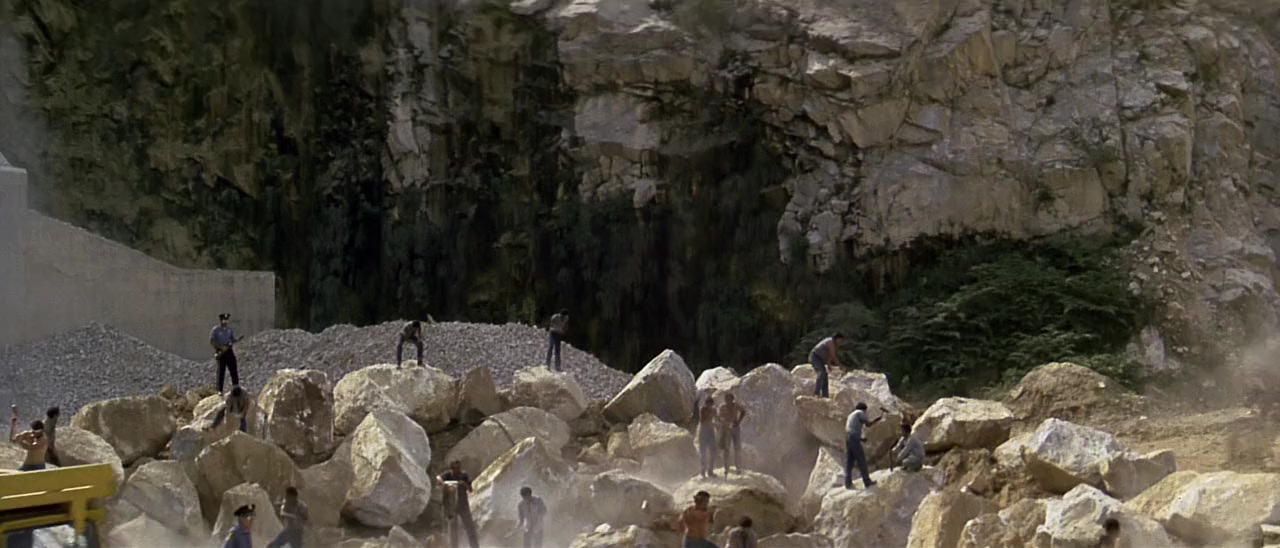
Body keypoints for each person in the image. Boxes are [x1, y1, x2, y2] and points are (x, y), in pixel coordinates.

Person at [437, 460, 479, 548]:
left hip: (463, 505)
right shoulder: (448, 475)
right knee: (452, 530)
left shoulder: (464, 475)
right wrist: (444, 483)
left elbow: (470, 489)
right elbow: (438, 478)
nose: (457, 470)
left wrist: (463, 484)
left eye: (458, 468)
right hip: (452, 506)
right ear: (452, 468)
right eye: (455, 468)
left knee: (470, 527)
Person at [844, 402, 883, 489]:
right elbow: (868, 424)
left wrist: (861, 439)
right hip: (854, 439)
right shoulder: (860, 412)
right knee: (861, 460)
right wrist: (878, 419)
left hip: (848, 438)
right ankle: (867, 481)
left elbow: (851, 429)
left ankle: (847, 482)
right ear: (864, 409)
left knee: (849, 461)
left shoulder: (851, 415)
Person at [211, 313, 243, 393]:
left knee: (233, 368)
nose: (225, 322)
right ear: (221, 320)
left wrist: (237, 339)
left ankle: (236, 386)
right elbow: (212, 341)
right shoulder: (216, 330)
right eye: (224, 320)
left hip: (229, 351)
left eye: (226, 320)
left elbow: (232, 340)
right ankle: (219, 390)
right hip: (221, 351)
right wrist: (221, 347)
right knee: (221, 370)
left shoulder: (229, 330)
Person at [9, 405, 48, 471]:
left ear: (41, 431)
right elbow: (12, 440)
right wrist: (13, 424)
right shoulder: (28, 434)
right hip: (27, 466)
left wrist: (20, 442)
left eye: (36, 432)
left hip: (39, 467)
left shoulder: (44, 439)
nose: (33, 434)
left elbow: (32, 447)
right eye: (33, 431)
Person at [717, 393, 746, 475]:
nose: (728, 401)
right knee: (726, 448)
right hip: (726, 429)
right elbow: (719, 417)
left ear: (732, 399)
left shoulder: (736, 405)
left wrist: (739, 421)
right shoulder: (722, 407)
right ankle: (726, 467)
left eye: (730, 399)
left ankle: (738, 467)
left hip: (735, 428)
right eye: (727, 399)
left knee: (737, 448)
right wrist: (724, 422)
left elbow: (743, 411)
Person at [809, 333, 844, 398]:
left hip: (821, 360)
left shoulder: (834, 345)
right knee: (821, 372)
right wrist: (840, 366)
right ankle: (816, 393)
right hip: (815, 357)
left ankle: (825, 396)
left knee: (825, 376)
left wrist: (829, 365)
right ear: (837, 338)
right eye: (840, 340)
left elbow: (829, 355)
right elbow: (833, 356)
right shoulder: (830, 341)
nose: (841, 342)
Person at [697, 397, 718, 478]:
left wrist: (721, 422)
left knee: (713, 452)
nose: (709, 406)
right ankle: (703, 472)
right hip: (703, 432)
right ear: (706, 404)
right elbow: (702, 421)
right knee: (703, 453)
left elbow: (717, 418)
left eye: (711, 404)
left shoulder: (714, 410)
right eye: (708, 404)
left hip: (711, 432)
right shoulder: (703, 409)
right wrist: (714, 424)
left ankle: (710, 471)